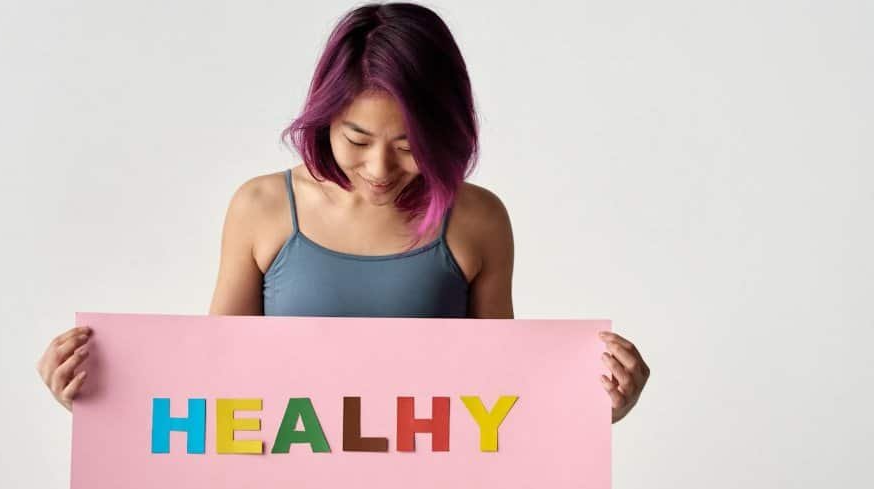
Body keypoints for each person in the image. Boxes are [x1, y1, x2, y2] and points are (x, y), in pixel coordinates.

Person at [36, 2, 649, 421]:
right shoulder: (262, 208)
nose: (380, 169)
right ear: (324, 118)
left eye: (410, 145)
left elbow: (502, 404)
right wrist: (98, 405)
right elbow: (212, 389)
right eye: (357, 140)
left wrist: (597, 408)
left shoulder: (477, 220)